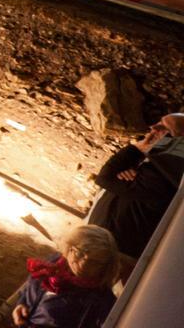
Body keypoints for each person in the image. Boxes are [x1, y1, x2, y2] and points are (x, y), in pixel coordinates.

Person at [89, 112, 184, 259]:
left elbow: (107, 180)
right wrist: (141, 149)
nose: (152, 130)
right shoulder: (159, 182)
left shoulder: (157, 174)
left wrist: (134, 162)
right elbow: (105, 178)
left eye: (161, 128)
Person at [12, 224, 119, 328]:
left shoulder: (101, 303)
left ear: (106, 265)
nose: (83, 264)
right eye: (80, 254)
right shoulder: (55, 262)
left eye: (95, 262)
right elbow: (30, 286)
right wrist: (22, 303)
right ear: (70, 248)